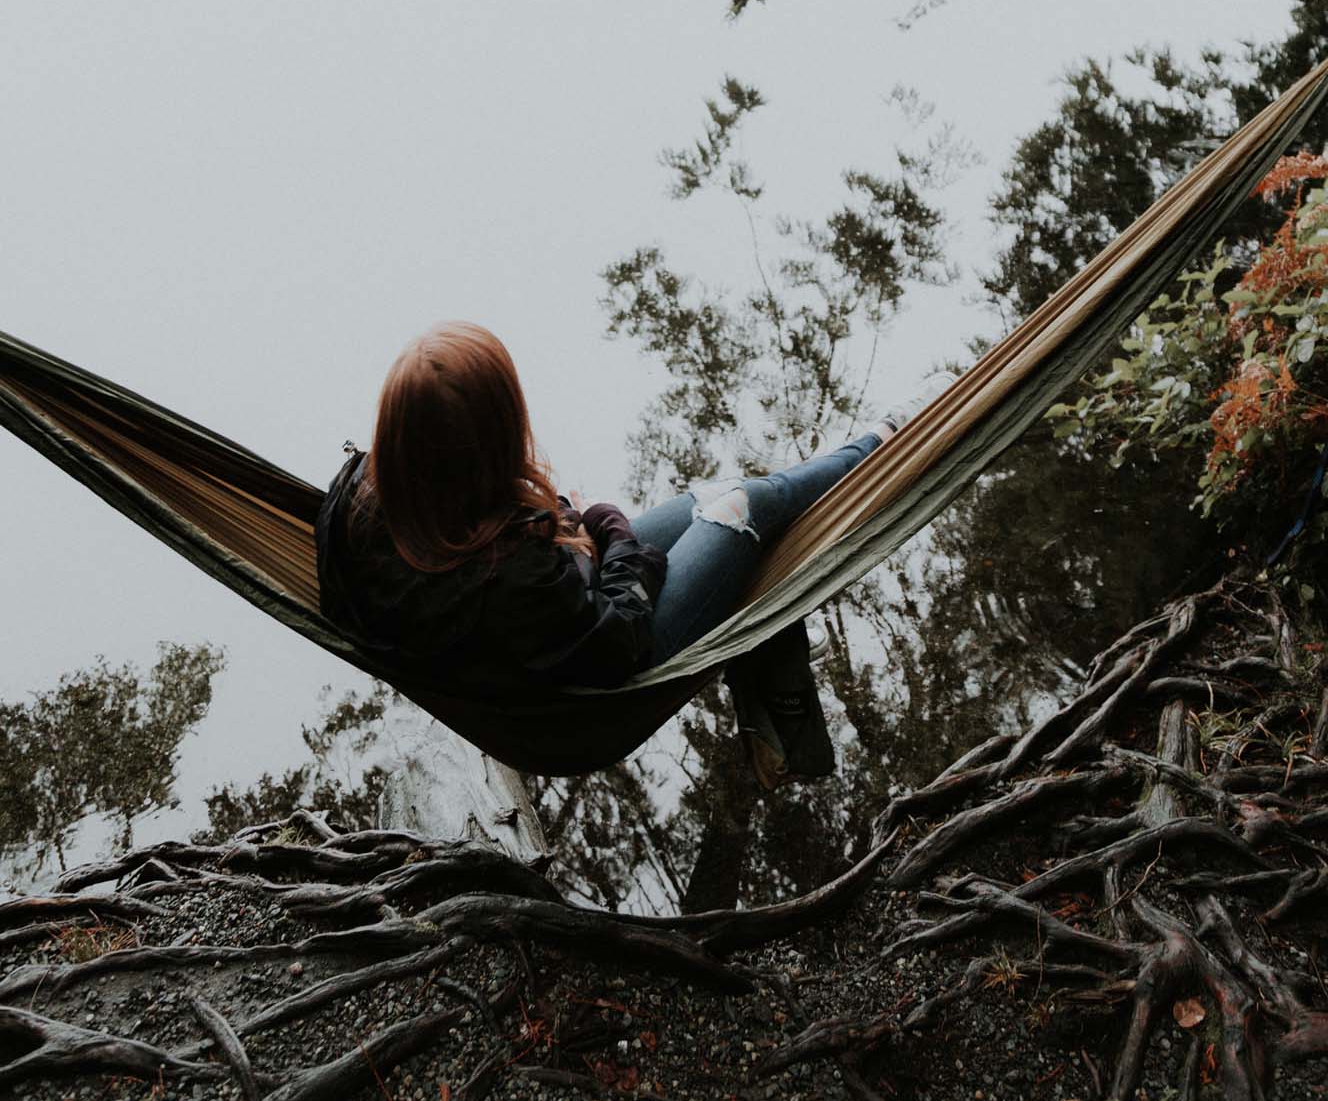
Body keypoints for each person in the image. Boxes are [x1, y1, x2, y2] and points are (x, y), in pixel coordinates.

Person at [316, 321, 901, 787]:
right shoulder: (515, 580)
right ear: (492, 443)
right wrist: (615, 534)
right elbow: (616, 638)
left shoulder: (359, 506)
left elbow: (508, 585)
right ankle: (880, 445)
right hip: (587, 709)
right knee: (742, 509)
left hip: (538, 647)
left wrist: (566, 526)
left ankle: (778, 702)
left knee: (714, 502)